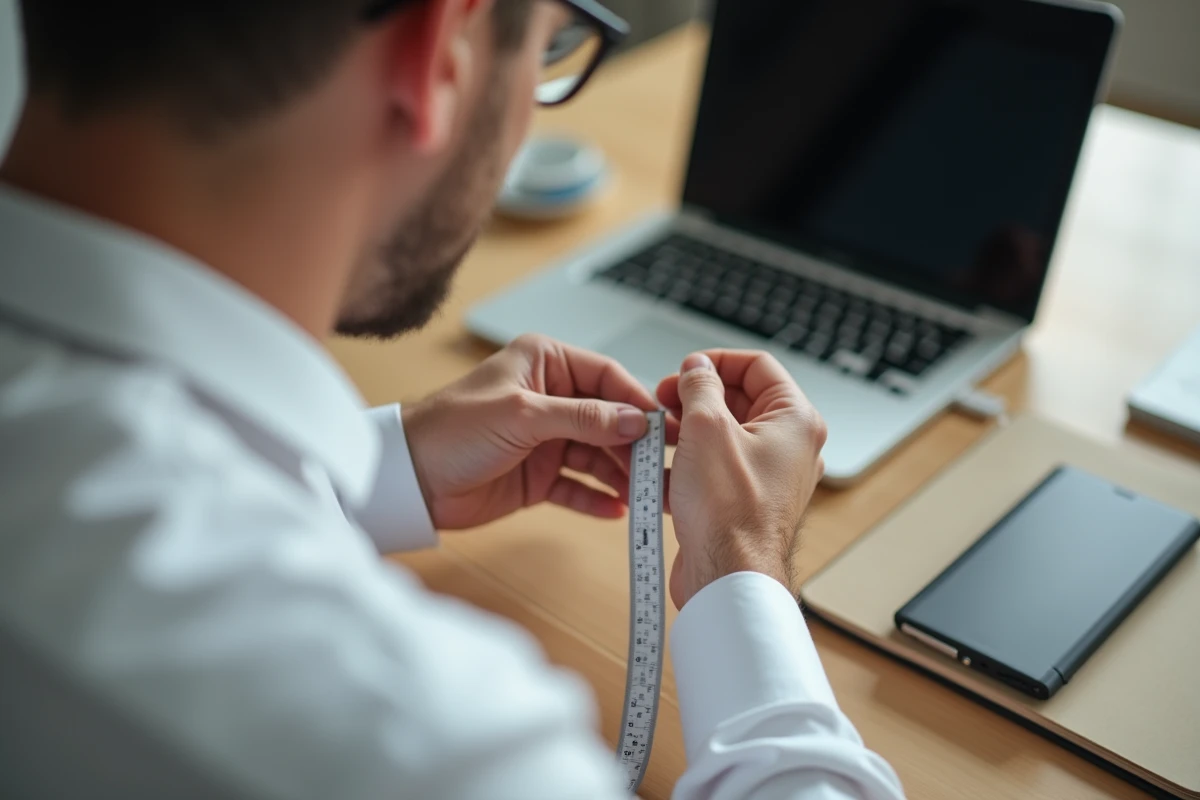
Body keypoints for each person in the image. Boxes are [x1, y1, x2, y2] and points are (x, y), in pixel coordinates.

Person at [0, 1, 905, 798]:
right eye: (551, 49)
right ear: (443, 48)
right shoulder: (435, 747)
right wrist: (745, 565)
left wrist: (384, 469)